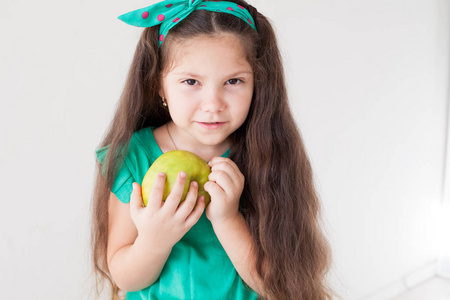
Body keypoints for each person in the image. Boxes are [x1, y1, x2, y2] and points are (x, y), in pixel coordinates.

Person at [92, 0, 334, 299]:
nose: (213, 104)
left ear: (258, 84)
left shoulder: (267, 157)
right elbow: (125, 277)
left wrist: (227, 219)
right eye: (191, 81)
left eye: (233, 81)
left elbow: (280, 287)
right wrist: (154, 241)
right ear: (159, 85)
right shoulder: (133, 158)